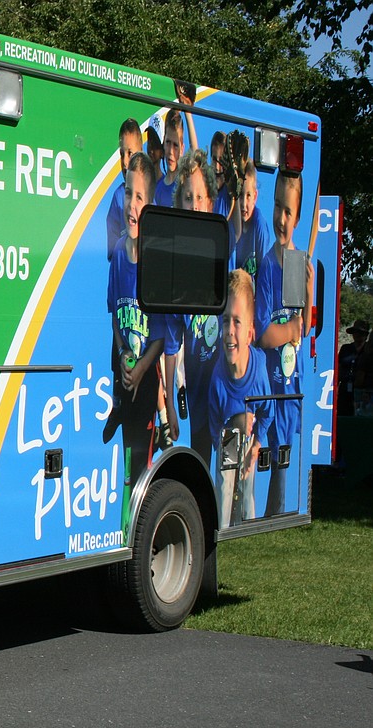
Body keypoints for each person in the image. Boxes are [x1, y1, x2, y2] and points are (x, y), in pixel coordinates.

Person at [255, 170, 313, 516]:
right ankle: (269, 513)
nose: (280, 217)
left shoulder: (298, 264)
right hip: (271, 385)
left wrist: (306, 294)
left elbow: (302, 328)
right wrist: (289, 330)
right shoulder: (267, 265)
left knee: (286, 455)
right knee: (270, 454)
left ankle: (280, 512)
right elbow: (263, 334)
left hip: (293, 384)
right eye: (277, 207)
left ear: (297, 216)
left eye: (288, 211)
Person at [107, 151, 164, 493]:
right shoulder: (117, 256)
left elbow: (160, 335)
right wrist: (123, 357)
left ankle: (135, 529)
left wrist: (141, 367)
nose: (132, 205)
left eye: (140, 197)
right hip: (124, 375)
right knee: (124, 461)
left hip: (146, 382)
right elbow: (116, 315)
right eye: (128, 193)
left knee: (139, 466)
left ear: (151, 202)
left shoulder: (155, 261)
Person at [163, 149, 219, 465]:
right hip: (193, 394)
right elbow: (172, 345)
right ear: (178, 204)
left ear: (210, 203)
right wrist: (171, 402)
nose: (194, 205)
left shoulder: (222, 250)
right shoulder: (177, 269)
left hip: (221, 392)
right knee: (199, 462)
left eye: (200, 197)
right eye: (187, 197)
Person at [209, 269, 273, 528]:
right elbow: (215, 429)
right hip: (227, 432)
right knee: (225, 483)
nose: (229, 331)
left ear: (250, 333)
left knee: (247, 484)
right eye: (225, 321)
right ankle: (223, 529)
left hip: (251, 434)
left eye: (237, 322)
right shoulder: (218, 380)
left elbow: (267, 411)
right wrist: (235, 421)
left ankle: (249, 526)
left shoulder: (258, 373)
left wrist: (256, 446)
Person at [107, 118, 143, 260]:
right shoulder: (117, 198)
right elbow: (113, 254)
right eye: (122, 154)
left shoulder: (150, 195)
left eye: (130, 153)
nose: (125, 162)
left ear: (141, 153)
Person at [234, 160, 271, 282]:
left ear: (255, 196)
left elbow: (264, 273)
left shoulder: (259, 225)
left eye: (248, 195)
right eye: (240, 195)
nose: (244, 204)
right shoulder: (232, 223)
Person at [154, 109, 185, 208]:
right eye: (168, 142)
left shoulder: (184, 183)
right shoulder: (158, 189)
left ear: (182, 149)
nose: (171, 151)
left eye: (175, 145)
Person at [338, 319, 369, 417]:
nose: (357, 335)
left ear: (366, 335)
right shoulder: (345, 348)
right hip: (345, 387)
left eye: (360, 333)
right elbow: (339, 367)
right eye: (355, 332)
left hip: (361, 389)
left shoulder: (368, 351)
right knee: (343, 412)